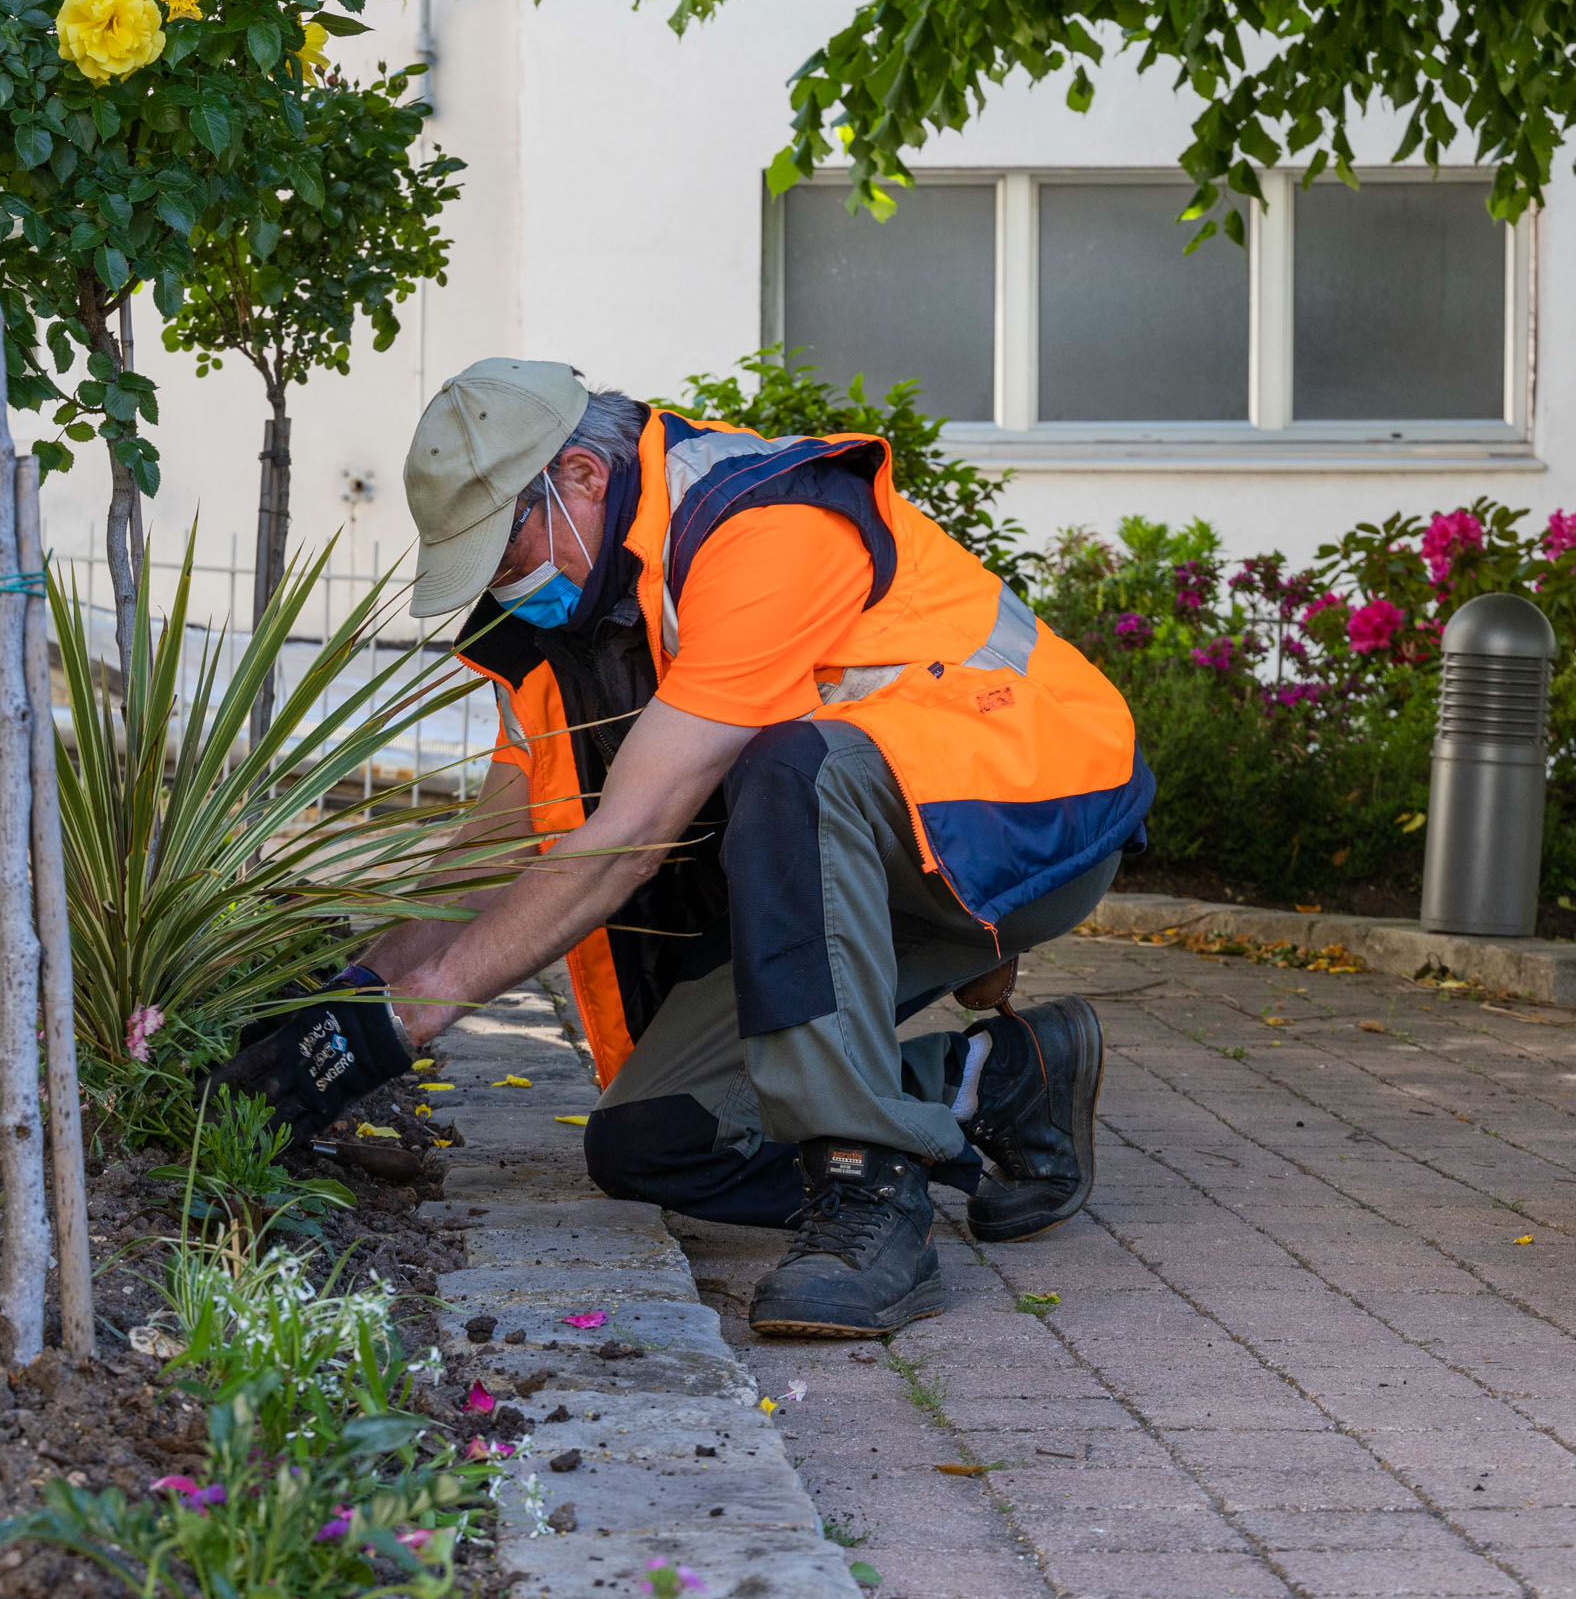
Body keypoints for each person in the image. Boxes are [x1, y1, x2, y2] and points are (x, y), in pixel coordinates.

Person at [211, 359, 1153, 1337]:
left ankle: (869, 1196)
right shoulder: (574, 623)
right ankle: (1001, 1079)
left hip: (1023, 823)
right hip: (851, 871)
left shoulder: (761, 528)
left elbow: (625, 841)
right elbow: (495, 843)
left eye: (504, 544)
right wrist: (352, 1001)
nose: (500, 579)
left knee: (792, 764)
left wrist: (414, 1016)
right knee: (651, 1142)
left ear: (578, 475)